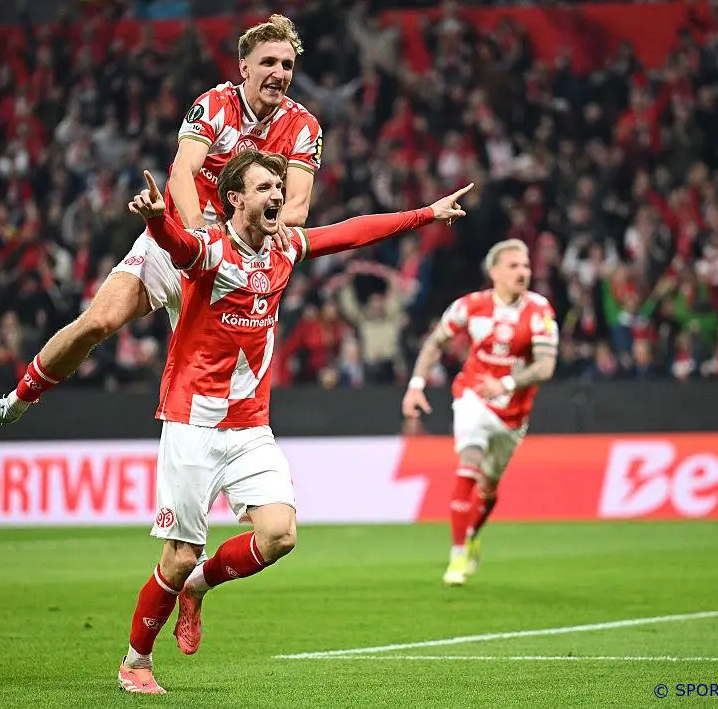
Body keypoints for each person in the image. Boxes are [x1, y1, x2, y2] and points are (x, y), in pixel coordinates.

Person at [118, 152, 473, 693]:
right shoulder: (210, 249)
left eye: (279, 187)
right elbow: (179, 246)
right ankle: (136, 662)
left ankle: (199, 586)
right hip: (192, 423)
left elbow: (352, 233)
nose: (278, 196)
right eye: (264, 188)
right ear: (234, 198)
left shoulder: (283, 247)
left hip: (250, 427)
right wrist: (155, 218)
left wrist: (426, 213)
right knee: (178, 554)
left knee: (280, 534)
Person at [0, 14, 322, 427]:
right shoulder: (216, 105)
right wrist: (200, 237)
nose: (279, 73)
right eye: (268, 62)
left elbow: (296, 208)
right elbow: (182, 173)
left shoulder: (303, 126)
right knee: (98, 322)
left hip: (236, 267)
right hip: (179, 244)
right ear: (244, 67)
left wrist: (240, 247)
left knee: (225, 388)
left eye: (287, 65)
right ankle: (14, 403)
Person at [401, 238, 558, 586]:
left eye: (526, 266)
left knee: (488, 486)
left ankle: (472, 535)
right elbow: (435, 341)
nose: (523, 272)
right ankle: (457, 554)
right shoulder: (470, 306)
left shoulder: (539, 311)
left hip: (513, 412)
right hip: (472, 396)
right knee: (468, 464)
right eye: (514, 266)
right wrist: (416, 385)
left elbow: (546, 366)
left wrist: (507, 384)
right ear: (495, 272)